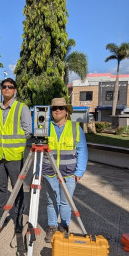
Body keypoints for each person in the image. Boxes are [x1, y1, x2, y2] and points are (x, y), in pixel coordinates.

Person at [0, 78, 32, 233]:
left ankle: (18, 217)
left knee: (17, 188)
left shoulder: (21, 108)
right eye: (4, 87)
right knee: (1, 187)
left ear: (15, 90)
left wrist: (15, 144)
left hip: (14, 156)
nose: (7, 89)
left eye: (10, 87)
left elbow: (27, 131)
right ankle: (1, 215)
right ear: (0, 89)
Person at [41, 97, 88, 243]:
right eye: (55, 108)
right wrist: (38, 172)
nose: (58, 111)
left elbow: (82, 150)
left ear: (66, 111)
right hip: (49, 172)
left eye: (61, 108)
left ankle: (64, 226)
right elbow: (39, 152)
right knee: (51, 201)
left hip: (69, 174)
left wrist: (79, 172)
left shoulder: (75, 127)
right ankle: (52, 226)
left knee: (65, 202)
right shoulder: (45, 127)